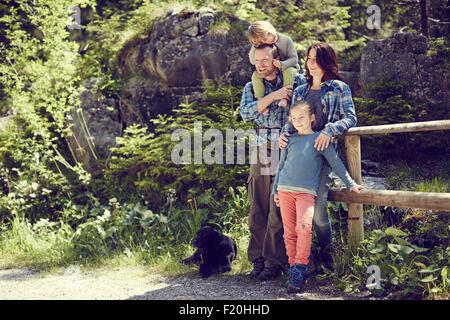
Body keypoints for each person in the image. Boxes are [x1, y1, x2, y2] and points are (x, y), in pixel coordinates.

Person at [279, 42, 357, 269]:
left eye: (315, 59)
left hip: (323, 155)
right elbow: (292, 121)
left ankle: (327, 250)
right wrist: (285, 134)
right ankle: (303, 259)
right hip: (300, 156)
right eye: (308, 59)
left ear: (326, 62)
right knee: (294, 218)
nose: (309, 64)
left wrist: (330, 129)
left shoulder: (339, 88)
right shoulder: (301, 90)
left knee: (318, 213)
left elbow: (351, 118)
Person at [272, 101, 363, 293]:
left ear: (312, 118)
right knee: (289, 232)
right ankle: (293, 269)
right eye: (293, 118)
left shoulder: (319, 140)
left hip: (306, 192)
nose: (297, 121)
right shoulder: (290, 140)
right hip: (284, 189)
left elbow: (336, 163)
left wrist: (351, 184)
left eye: (301, 117)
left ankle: (300, 266)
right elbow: (280, 167)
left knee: (304, 227)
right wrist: (274, 191)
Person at [240, 43, 306, 281]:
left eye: (265, 60)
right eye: (257, 61)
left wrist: (266, 104)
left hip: (287, 147)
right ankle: (257, 258)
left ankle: (274, 260)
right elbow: (247, 113)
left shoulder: (294, 81)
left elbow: (300, 110)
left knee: (278, 205)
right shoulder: (251, 86)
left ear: (276, 61)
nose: (260, 65)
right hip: (261, 147)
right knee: (258, 204)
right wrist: (274, 97)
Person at [247, 21, 299, 109]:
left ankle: (285, 97)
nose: (271, 36)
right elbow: (252, 60)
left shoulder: (286, 40)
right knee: (256, 75)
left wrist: (282, 64)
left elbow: (294, 59)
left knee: (289, 71)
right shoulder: (263, 46)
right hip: (271, 69)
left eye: (269, 32)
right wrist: (255, 46)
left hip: (288, 67)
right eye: (265, 39)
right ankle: (260, 100)